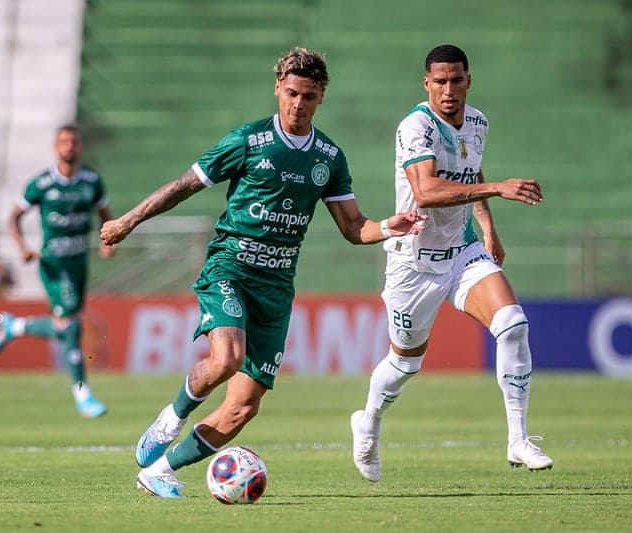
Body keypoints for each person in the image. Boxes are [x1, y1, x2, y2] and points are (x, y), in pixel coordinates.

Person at [100, 47, 427, 499]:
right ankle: (171, 418)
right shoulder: (249, 141)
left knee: (243, 407)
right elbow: (182, 187)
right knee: (227, 358)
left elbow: (353, 227)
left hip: (276, 289)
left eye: (309, 96)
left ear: (321, 97)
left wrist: (390, 226)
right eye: (291, 93)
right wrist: (128, 221)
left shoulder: (329, 158)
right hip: (229, 268)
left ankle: (158, 470)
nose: (298, 104)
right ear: (278, 88)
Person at [350, 44, 553, 482]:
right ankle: (367, 420)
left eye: (456, 80)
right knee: (405, 363)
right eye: (439, 82)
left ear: (468, 81)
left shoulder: (478, 122)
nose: (448, 90)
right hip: (413, 262)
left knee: (514, 324)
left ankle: (518, 440)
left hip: (461, 251)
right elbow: (425, 191)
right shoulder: (415, 126)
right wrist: (499, 188)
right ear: (427, 84)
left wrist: (487, 226)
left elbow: (471, 172)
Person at [0, 124, 115, 418]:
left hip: (78, 264)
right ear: (55, 147)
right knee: (72, 326)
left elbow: (105, 216)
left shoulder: (92, 181)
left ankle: (15, 327)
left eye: (73, 141)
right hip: (54, 266)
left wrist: (108, 241)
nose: (69, 146)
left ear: (80, 146)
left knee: (66, 327)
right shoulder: (42, 184)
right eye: (63, 142)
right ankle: (82, 393)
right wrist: (22, 248)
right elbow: (14, 218)